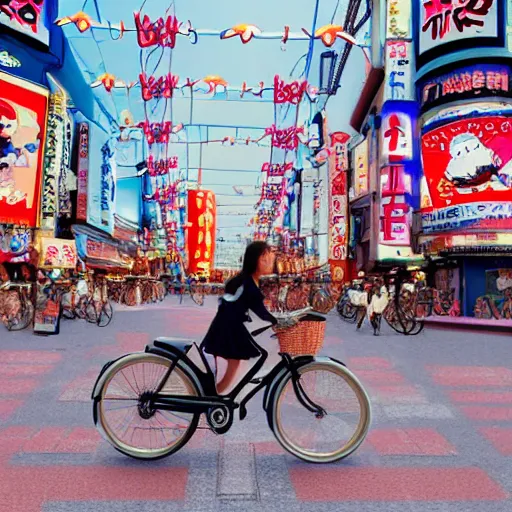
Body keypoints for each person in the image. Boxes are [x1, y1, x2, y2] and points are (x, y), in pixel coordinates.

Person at [201, 241, 278, 394]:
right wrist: (277, 321)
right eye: (264, 259)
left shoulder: (245, 280)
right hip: (228, 330)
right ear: (253, 260)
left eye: (269, 259)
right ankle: (213, 396)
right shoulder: (247, 283)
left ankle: (215, 395)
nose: (268, 263)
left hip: (227, 327)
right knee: (232, 363)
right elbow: (259, 310)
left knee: (233, 364)